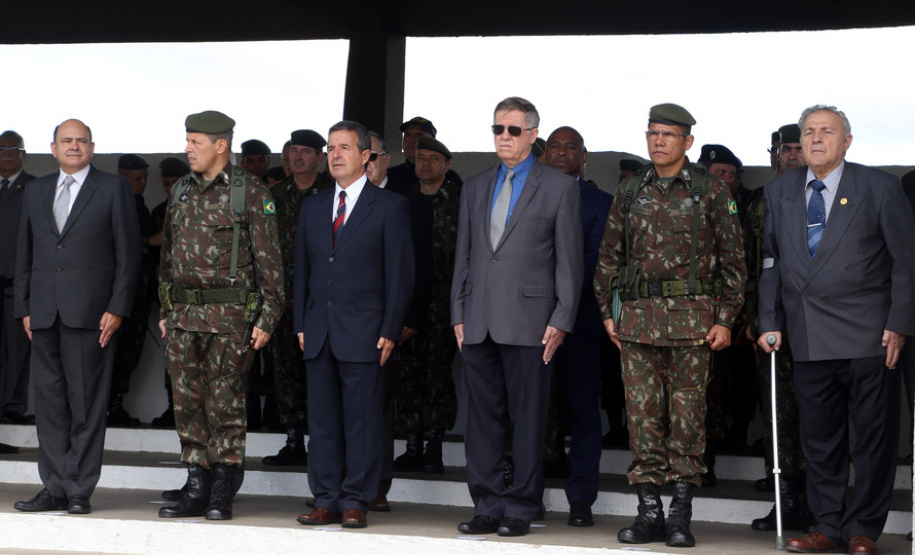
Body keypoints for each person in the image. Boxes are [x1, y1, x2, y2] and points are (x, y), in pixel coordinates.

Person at [757, 105, 915, 554]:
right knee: (820, 439)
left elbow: (906, 261)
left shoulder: (879, 187)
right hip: (808, 331)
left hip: (869, 334)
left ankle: (862, 527)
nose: (816, 139)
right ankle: (827, 525)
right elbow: (771, 260)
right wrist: (769, 321)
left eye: (827, 131)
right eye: (809, 132)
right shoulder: (781, 190)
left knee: (871, 437)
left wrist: (899, 323)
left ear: (847, 141)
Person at [593, 103, 746, 548]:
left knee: (687, 420)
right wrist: (606, 310)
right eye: (653, 133)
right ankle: (649, 514)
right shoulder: (630, 189)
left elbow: (736, 261)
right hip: (637, 322)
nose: (658, 141)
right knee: (642, 420)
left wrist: (726, 320)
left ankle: (680, 515)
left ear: (688, 142)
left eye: (668, 134)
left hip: (692, 323)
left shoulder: (710, 190)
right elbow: (609, 255)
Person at [451, 97, 583, 538]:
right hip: (478, 319)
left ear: (531, 135)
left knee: (528, 418)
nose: (502, 137)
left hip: (532, 320)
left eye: (511, 130)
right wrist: (457, 312)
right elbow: (465, 257)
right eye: (496, 129)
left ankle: (521, 507)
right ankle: (487, 505)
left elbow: (569, 260)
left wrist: (562, 318)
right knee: (481, 417)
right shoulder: (475, 185)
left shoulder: (559, 187)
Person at [157, 110, 284, 521]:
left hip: (229, 317)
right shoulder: (179, 191)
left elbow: (270, 264)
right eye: (187, 140)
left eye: (195, 141)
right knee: (187, 403)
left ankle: (223, 489)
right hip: (182, 317)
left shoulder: (250, 192)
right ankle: (197, 484)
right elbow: (167, 256)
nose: (187, 148)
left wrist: (267, 318)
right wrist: (165, 308)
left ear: (220, 145)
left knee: (225, 404)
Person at [13, 119, 141, 514]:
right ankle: (52, 487)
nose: (73, 146)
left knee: (85, 405)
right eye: (66, 141)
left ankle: (79, 489)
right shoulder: (35, 190)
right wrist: (25, 308)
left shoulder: (113, 187)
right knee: (50, 406)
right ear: (52, 149)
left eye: (80, 141)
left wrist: (117, 307)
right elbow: (25, 252)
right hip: (44, 314)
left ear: (92, 147)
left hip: (92, 315)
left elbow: (129, 253)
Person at [294, 120, 414, 529]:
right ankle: (325, 498)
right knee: (323, 422)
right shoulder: (312, 206)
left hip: (366, 331)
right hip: (319, 330)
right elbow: (304, 271)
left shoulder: (391, 206)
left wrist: (391, 329)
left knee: (362, 422)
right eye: (330, 148)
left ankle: (355, 501)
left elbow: (401, 275)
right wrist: (300, 323)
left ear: (367, 156)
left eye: (344, 147)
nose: (335, 155)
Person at [542, 126, 612, 527]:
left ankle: (581, 499)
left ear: (583, 157)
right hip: (529, 324)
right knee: (530, 411)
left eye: (571, 147)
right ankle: (526, 493)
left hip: (581, 322)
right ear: (545, 153)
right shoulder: (527, 195)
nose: (562, 152)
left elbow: (595, 262)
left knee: (585, 413)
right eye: (555, 146)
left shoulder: (601, 203)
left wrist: (560, 307)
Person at [744, 123, 812, 531]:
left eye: (796, 148)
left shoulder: (817, 199)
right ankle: (785, 502)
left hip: (812, 324)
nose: (791, 156)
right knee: (777, 417)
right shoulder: (760, 202)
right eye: (783, 149)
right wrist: (750, 320)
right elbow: (752, 267)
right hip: (769, 327)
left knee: (816, 416)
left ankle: (818, 502)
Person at [262, 129, 332, 467]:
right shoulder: (274, 195)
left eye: (306, 152)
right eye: (293, 152)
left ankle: (322, 441)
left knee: (319, 368)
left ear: (320, 158)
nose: (298, 157)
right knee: (284, 367)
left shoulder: (332, 194)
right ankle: (293, 440)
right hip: (283, 292)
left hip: (321, 293)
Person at [393, 136, 459, 475]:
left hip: (446, 302)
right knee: (408, 374)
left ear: (446, 166)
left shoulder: (458, 202)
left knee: (438, 375)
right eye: (420, 158)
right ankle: (412, 445)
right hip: (410, 300)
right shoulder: (401, 201)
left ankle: (434, 445)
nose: (426, 165)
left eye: (434, 159)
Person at [107, 154, 154, 428]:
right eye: (138, 178)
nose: (143, 183)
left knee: (131, 354)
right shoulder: (116, 202)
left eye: (146, 177)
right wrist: (151, 240)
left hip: (139, 293)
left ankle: (116, 404)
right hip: (119, 295)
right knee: (115, 351)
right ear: (122, 176)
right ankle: (108, 405)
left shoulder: (139, 205)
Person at [148, 156, 191, 429]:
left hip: (201, 297)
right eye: (167, 183)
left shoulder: (198, 206)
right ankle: (171, 408)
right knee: (172, 359)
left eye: (176, 181)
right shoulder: (160, 211)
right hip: (170, 294)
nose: (171, 187)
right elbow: (155, 254)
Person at [0, 131, 35, 444]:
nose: (8, 153)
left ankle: (13, 406)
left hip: (17, 284)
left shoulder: (35, 187)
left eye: (14, 148)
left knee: (18, 350)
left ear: (24, 154)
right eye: (2, 148)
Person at [387, 116, 463, 187]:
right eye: (407, 135)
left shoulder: (449, 177)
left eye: (419, 135)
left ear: (432, 141)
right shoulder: (390, 176)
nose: (411, 140)